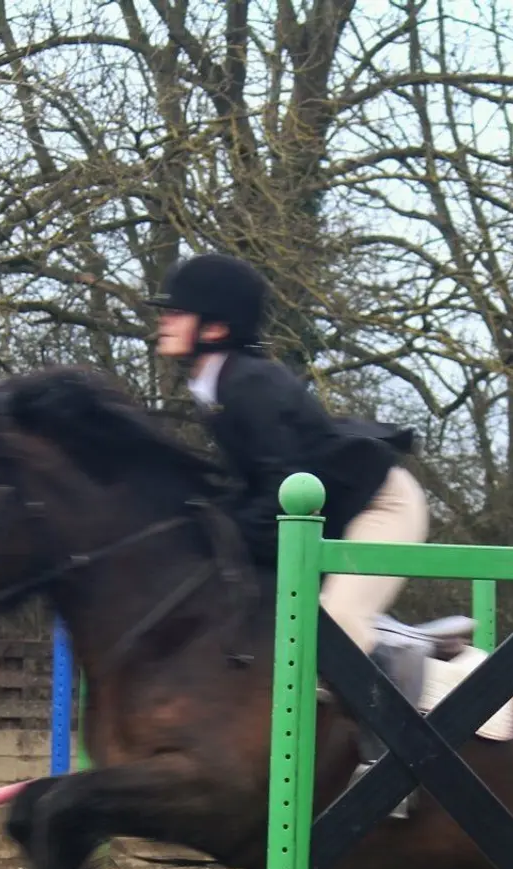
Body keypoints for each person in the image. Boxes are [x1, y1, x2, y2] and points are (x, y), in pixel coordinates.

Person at [150, 252, 431, 657]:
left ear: (214, 328)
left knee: (335, 624)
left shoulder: (247, 383)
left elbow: (283, 483)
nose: (164, 320)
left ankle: (423, 707)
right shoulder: (218, 385)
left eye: (177, 313)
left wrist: (224, 530)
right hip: (335, 508)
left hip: (382, 507)